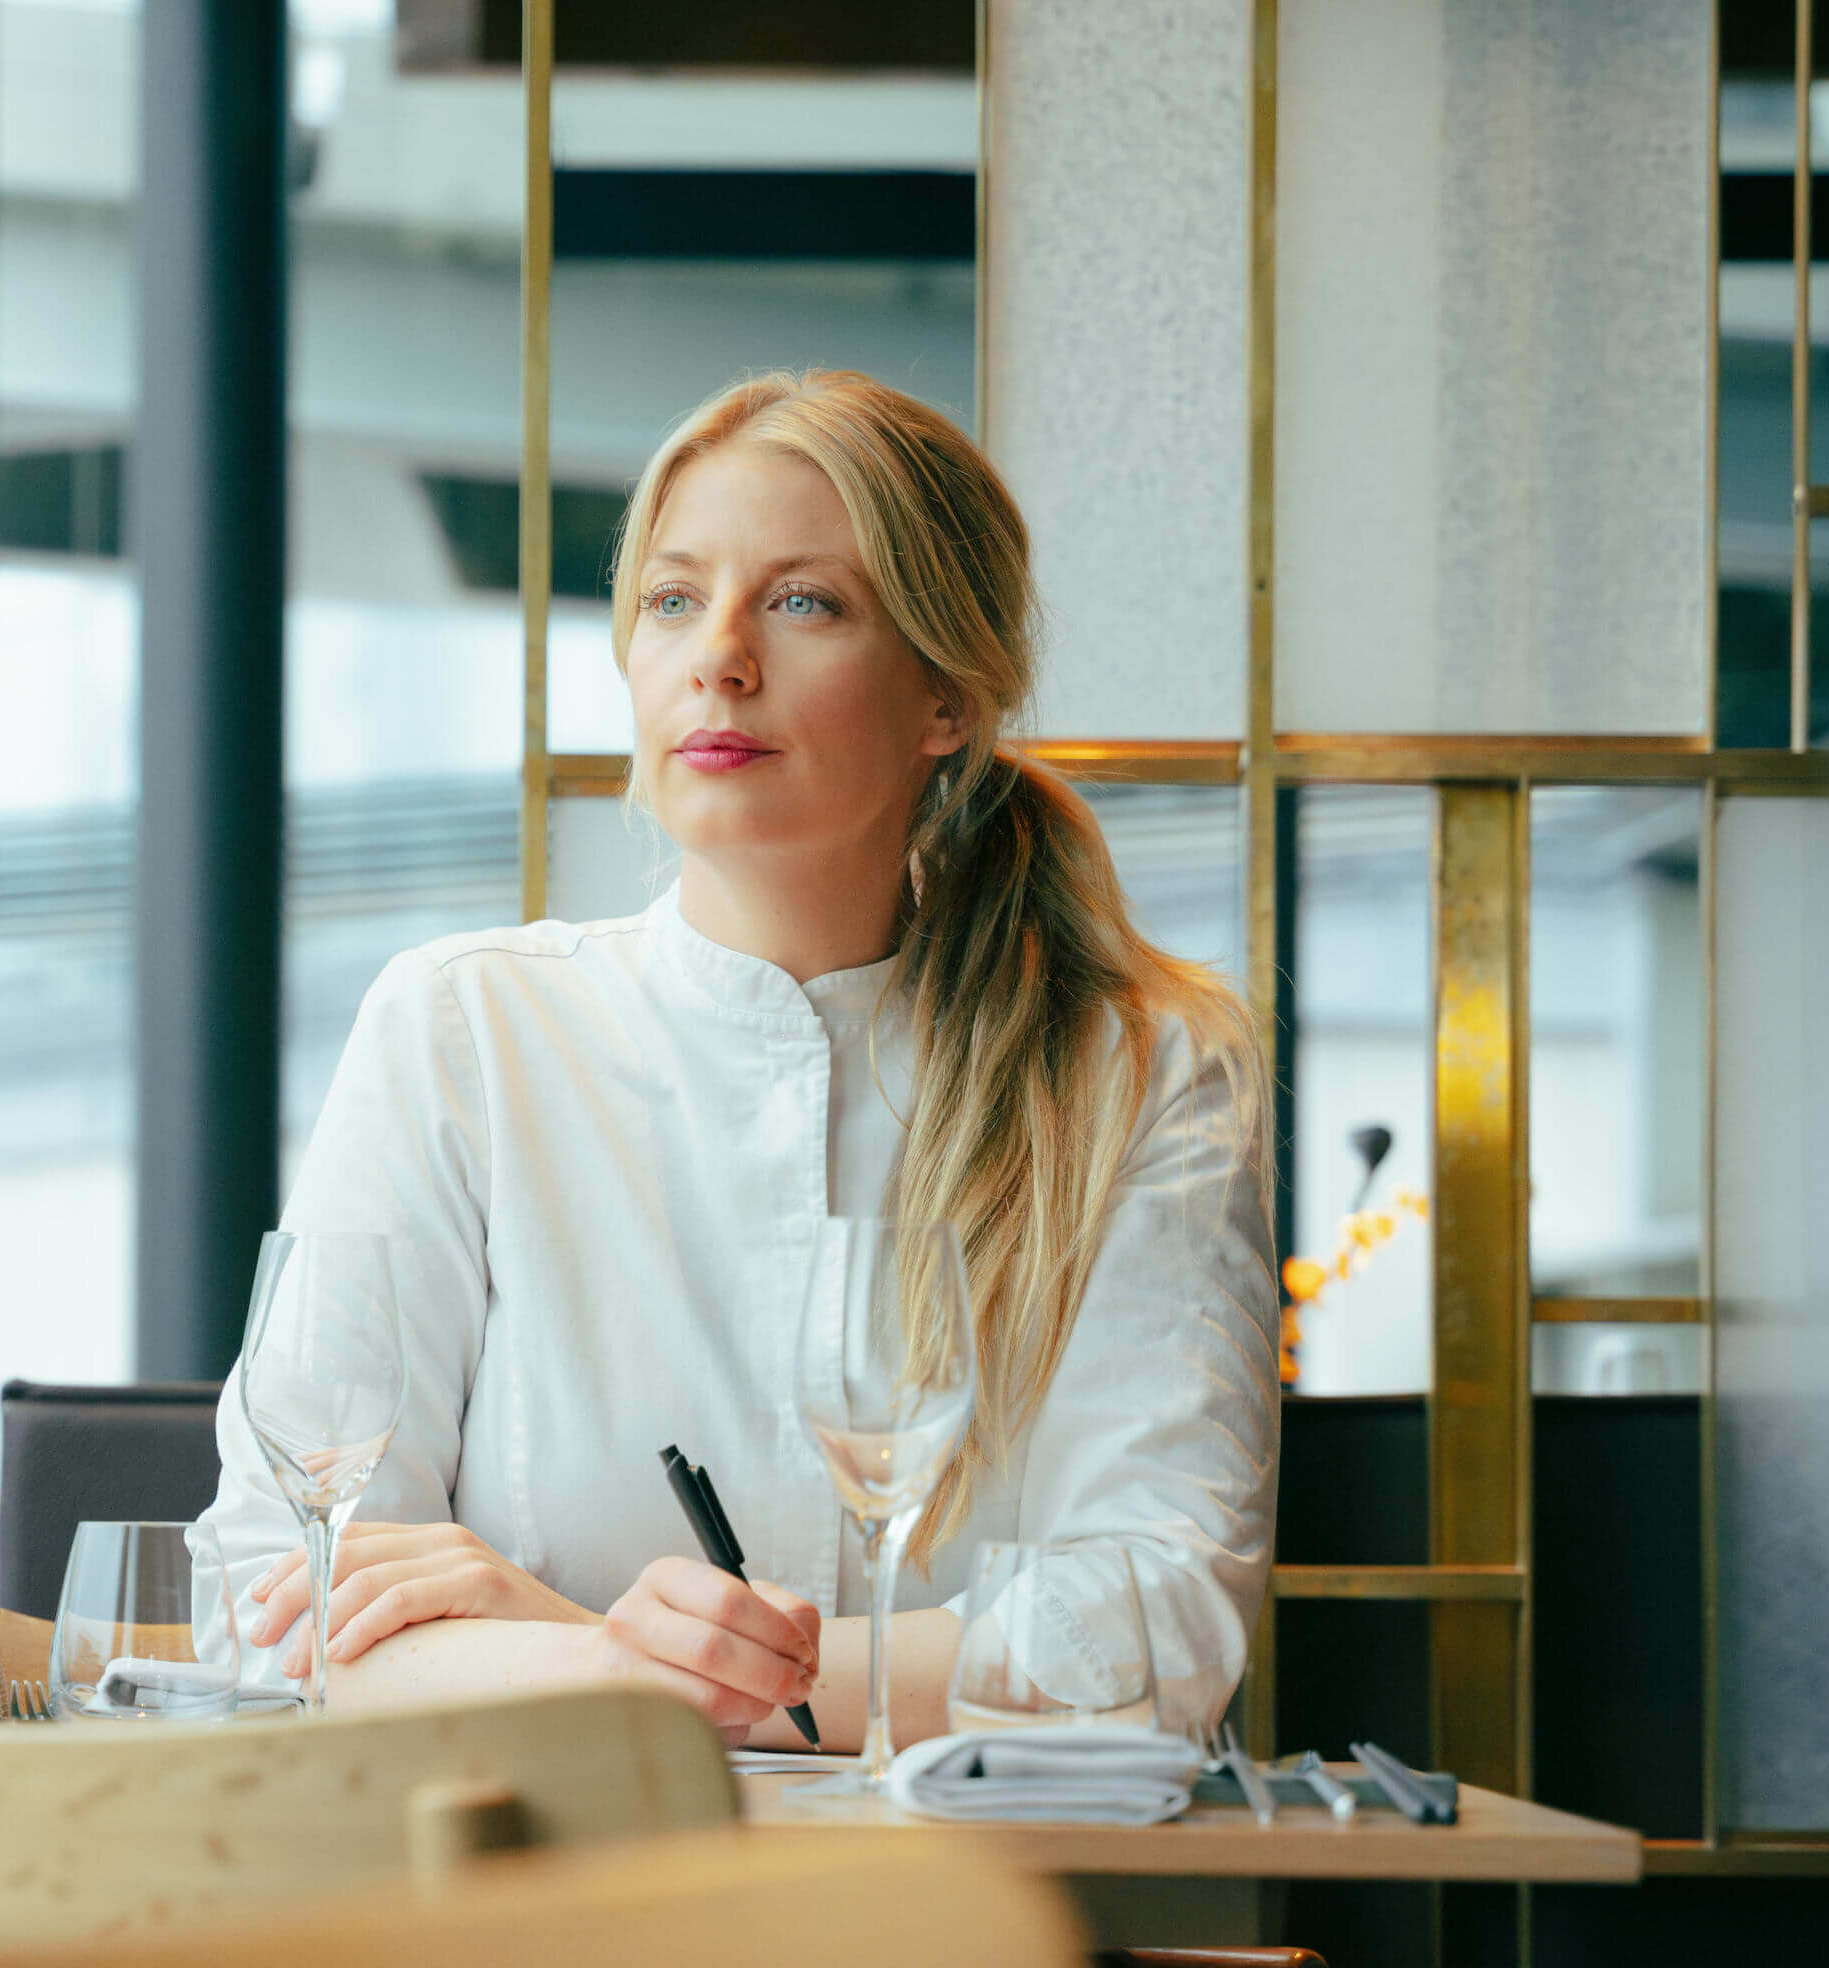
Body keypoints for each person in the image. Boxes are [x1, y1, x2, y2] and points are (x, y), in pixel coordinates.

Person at [193, 369, 1276, 1750]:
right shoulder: (461, 1035)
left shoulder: (1141, 1076)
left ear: (947, 695)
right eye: (672, 598)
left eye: (803, 602)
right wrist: (620, 1675)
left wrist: (581, 1647)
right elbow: (267, 1606)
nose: (720, 656)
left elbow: (1159, 1630)